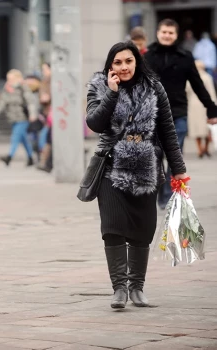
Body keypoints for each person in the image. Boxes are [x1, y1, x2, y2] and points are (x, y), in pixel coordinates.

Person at [86, 41, 188, 309]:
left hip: (146, 167)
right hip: (110, 167)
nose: (123, 67)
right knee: (112, 229)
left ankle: (137, 288)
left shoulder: (154, 88)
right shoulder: (98, 86)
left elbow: (167, 131)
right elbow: (95, 123)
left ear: (136, 62)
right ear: (110, 66)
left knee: (143, 230)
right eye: (117, 63)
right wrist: (111, 93)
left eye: (128, 61)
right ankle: (119, 289)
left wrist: (179, 170)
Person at [144, 19, 217, 209]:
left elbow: (197, 84)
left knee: (175, 156)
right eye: (164, 32)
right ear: (158, 33)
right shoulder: (147, 56)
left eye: (171, 33)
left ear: (176, 35)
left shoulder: (185, 57)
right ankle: (158, 194)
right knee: (155, 156)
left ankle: (169, 196)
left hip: (177, 113)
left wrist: (211, 108)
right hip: (153, 114)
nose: (167, 35)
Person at [0, 69, 37, 167]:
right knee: (23, 139)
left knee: (15, 137)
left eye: (11, 79)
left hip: (22, 117)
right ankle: (31, 158)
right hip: (12, 117)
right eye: (8, 79)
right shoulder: (7, 88)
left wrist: (33, 114)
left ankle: (9, 157)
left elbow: (30, 101)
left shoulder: (23, 87)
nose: (9, 81)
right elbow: (2, 101)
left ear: (17, 78)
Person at [187, 60, 217, 158]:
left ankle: (199, 149)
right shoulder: (207, 77)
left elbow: (187, 91)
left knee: (196, 128)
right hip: (205, 105)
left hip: (193, 104)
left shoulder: (190, 77)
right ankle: (206, 148)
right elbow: (211, 91)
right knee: (207, 127)